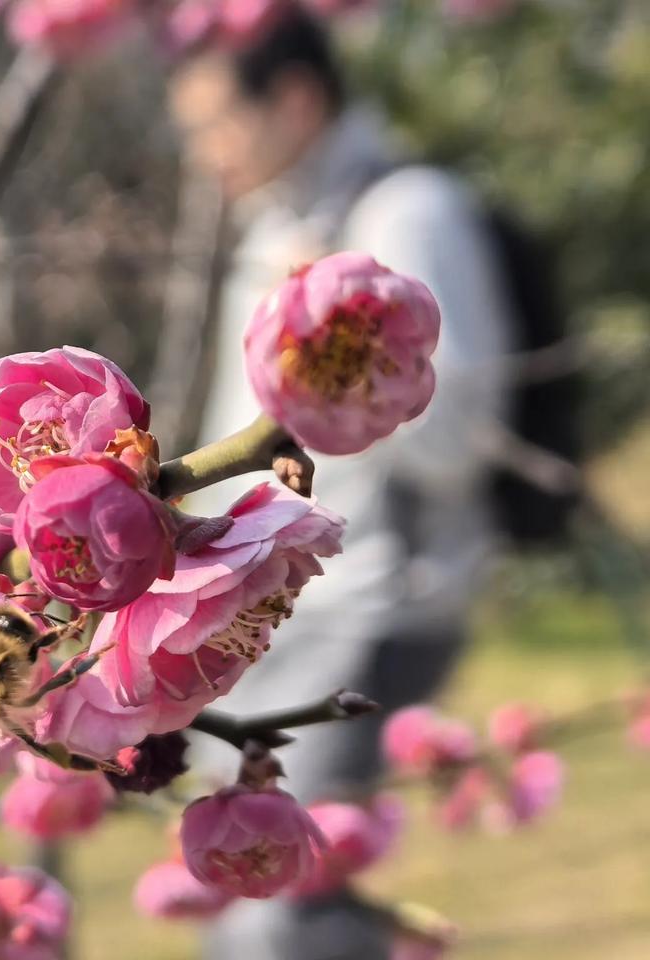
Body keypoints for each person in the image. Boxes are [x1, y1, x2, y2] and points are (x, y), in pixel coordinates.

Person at [168, 7, 513, 958]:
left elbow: (459, 441)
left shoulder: (407, 213)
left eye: (213, 126)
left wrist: (330, 362)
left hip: (371, 609)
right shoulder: (278, 228)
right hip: (268, 616)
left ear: (295, 100)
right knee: (246, 897)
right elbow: (234, 440)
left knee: (288, 914)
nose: (206, 157)